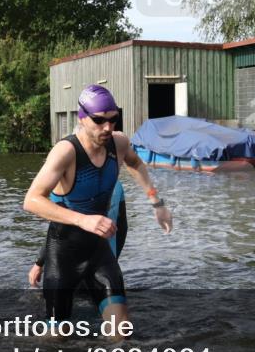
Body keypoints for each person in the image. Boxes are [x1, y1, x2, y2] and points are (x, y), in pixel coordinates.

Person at [23, 85, 172, 332]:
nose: (107, 127)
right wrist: (83, 220)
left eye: (113, 119)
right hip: (63, 255)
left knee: (121, 332)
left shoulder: (118, 143)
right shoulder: (66, 152)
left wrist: (156, 202)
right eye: (99, 120)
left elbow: (135, 163)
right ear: (82, 118)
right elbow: (31, 200)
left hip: (98, 252)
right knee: (56, 338)